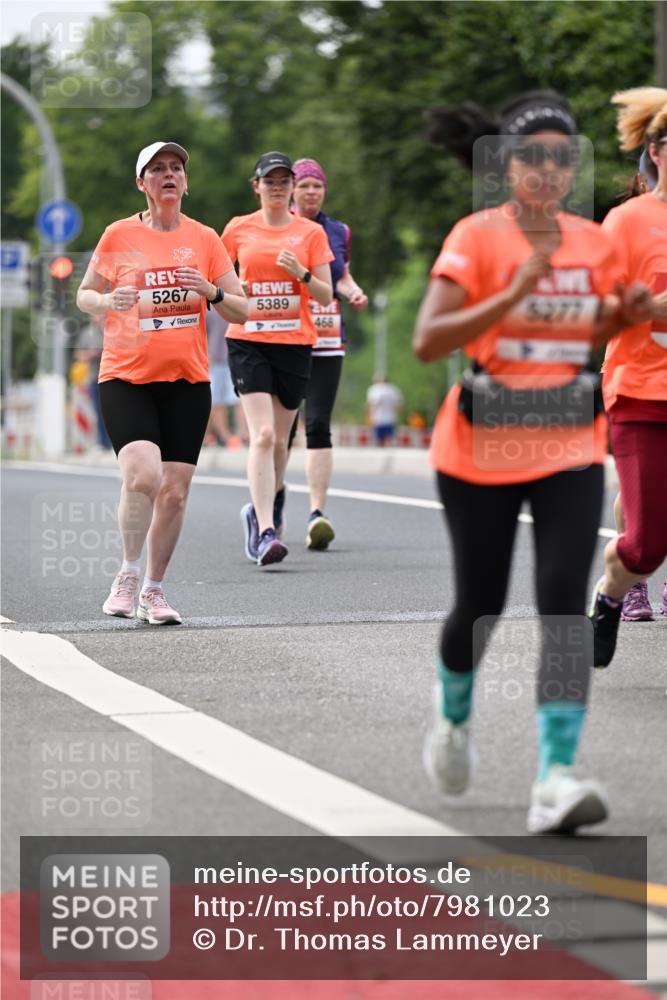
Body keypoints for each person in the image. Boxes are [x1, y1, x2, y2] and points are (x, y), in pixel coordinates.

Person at [413, 91, 651, 833]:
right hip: (480, 444)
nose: (548, 170)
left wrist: (634, 308)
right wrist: (512, 290)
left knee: (560, 606)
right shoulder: (476, 238)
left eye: (561, 156)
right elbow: (429, 338)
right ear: (507, 166)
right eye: (533, 157)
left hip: (569, 442)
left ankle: (554, 776)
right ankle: (452, 721)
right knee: (479, 607)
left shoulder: (594, 242)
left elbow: (603, 321)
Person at [77, 141, 247, 623]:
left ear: (186, 183)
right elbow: (85, 294)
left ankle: (154, 589)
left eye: (176, 169)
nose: (169, 175)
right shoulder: (118, 235)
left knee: (174, 490)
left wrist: (210, 290)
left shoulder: (205, 239)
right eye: (158, 170)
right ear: (142, 183)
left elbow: (242, 308)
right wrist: (109, 303)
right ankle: (127, 574)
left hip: (186, 381)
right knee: (143, 476)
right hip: (126, 377)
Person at [221, 152, 334, 566]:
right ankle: (265, 530)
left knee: (282, 442)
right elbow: (218, 282)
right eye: (270, 181)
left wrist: (302, 273)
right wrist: (235, 292)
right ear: (256, 186)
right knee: (264, 435)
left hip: (294, 342)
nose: (278, 187)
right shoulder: (237, 229)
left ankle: (267, 499)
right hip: (248, 340)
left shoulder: (309, 233)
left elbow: (326, 294)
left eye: (284, 181)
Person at [589, 88, 667, 664]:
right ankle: (612, 592)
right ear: (658, 151)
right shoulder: (627, 222)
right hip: (642, 392)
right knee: (644, 547)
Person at [287, 157, 369, 549]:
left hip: (326, 336)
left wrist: (353, 292)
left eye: (317, 185)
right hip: (283, 336)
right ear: (291, 190)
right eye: (304, 185)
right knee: (281, 430)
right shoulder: (276, 228)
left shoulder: (339, 230)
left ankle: (317, 514)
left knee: (318, 423)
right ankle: (268, 510)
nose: (311, 192)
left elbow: (341, 276)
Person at [205, 307, 247, 446]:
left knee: (239, 399)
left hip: (236, 358)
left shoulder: (235, 302)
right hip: (214, 360)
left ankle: (243, 435)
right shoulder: (207, 308)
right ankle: (225, 436)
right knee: (216, 400)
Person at [366, 373, 404, 446]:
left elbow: (371, 404)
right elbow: (399, 404)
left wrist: (369, 416)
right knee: (389, 439)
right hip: (390, 418)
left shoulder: (375, 389)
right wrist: (396, 414)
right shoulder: (394, 390)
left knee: (379, 440)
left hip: (378, 419)